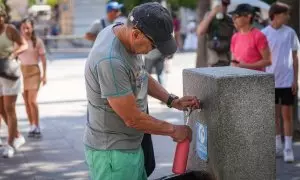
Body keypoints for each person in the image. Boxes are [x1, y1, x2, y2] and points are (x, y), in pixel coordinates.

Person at [84, 2, 200, 180]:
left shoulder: (121, 33)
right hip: (113, 154)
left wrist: (172, 100)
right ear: (136, 34)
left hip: (130, 146)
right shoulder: (111, 61)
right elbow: (132, 118)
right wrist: (173, 130)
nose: (155, 51)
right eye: (154, 46)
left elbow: (140, 74)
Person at [262, 2, 299, 163]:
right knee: (274, 116)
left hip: (286, 81)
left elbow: (295, 57)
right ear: (276, 15)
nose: (288, 17)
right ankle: (277, 144)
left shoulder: (290, 33)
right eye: (286, 14)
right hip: (270, 81)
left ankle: (288, 148)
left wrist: (295, 80)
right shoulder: (264, 34)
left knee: (287, 116)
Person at [0, 5, 28, 158]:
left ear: (3, 16)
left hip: (9, 72)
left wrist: (14, 53)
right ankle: (17, 135)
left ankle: (9, 144)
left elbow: (24, 44)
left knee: (9, 108)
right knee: (1, 109)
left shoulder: (9, 29)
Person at [19, 18, 47, 138]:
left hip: (34, 72)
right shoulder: (18, 41)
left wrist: (44, 75)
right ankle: (31, 125)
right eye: (23, 27)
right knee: (26, 102)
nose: (26, 30)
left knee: (32, 101)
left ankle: (37, 125)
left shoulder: (38, 42)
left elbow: (44, 60)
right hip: (21, 73)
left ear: (32, 28)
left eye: (28, 27)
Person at [230, 4, 271, 71]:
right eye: (233, 17)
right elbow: (233, 61)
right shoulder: (235, 37)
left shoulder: (258, 36)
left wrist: (246, 66)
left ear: (248, 16)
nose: (234, 19)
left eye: (236, 16)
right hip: (237, 78)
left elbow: (268, 61)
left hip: (255, 79)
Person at [197, 0, 234, 67]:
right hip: (213, 60)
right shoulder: (209, 17)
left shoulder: (230, 19)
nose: (223, 7)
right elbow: (200, 31)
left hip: (227, 60)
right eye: (222, 3)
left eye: (225, 4)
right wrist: (213, 13)